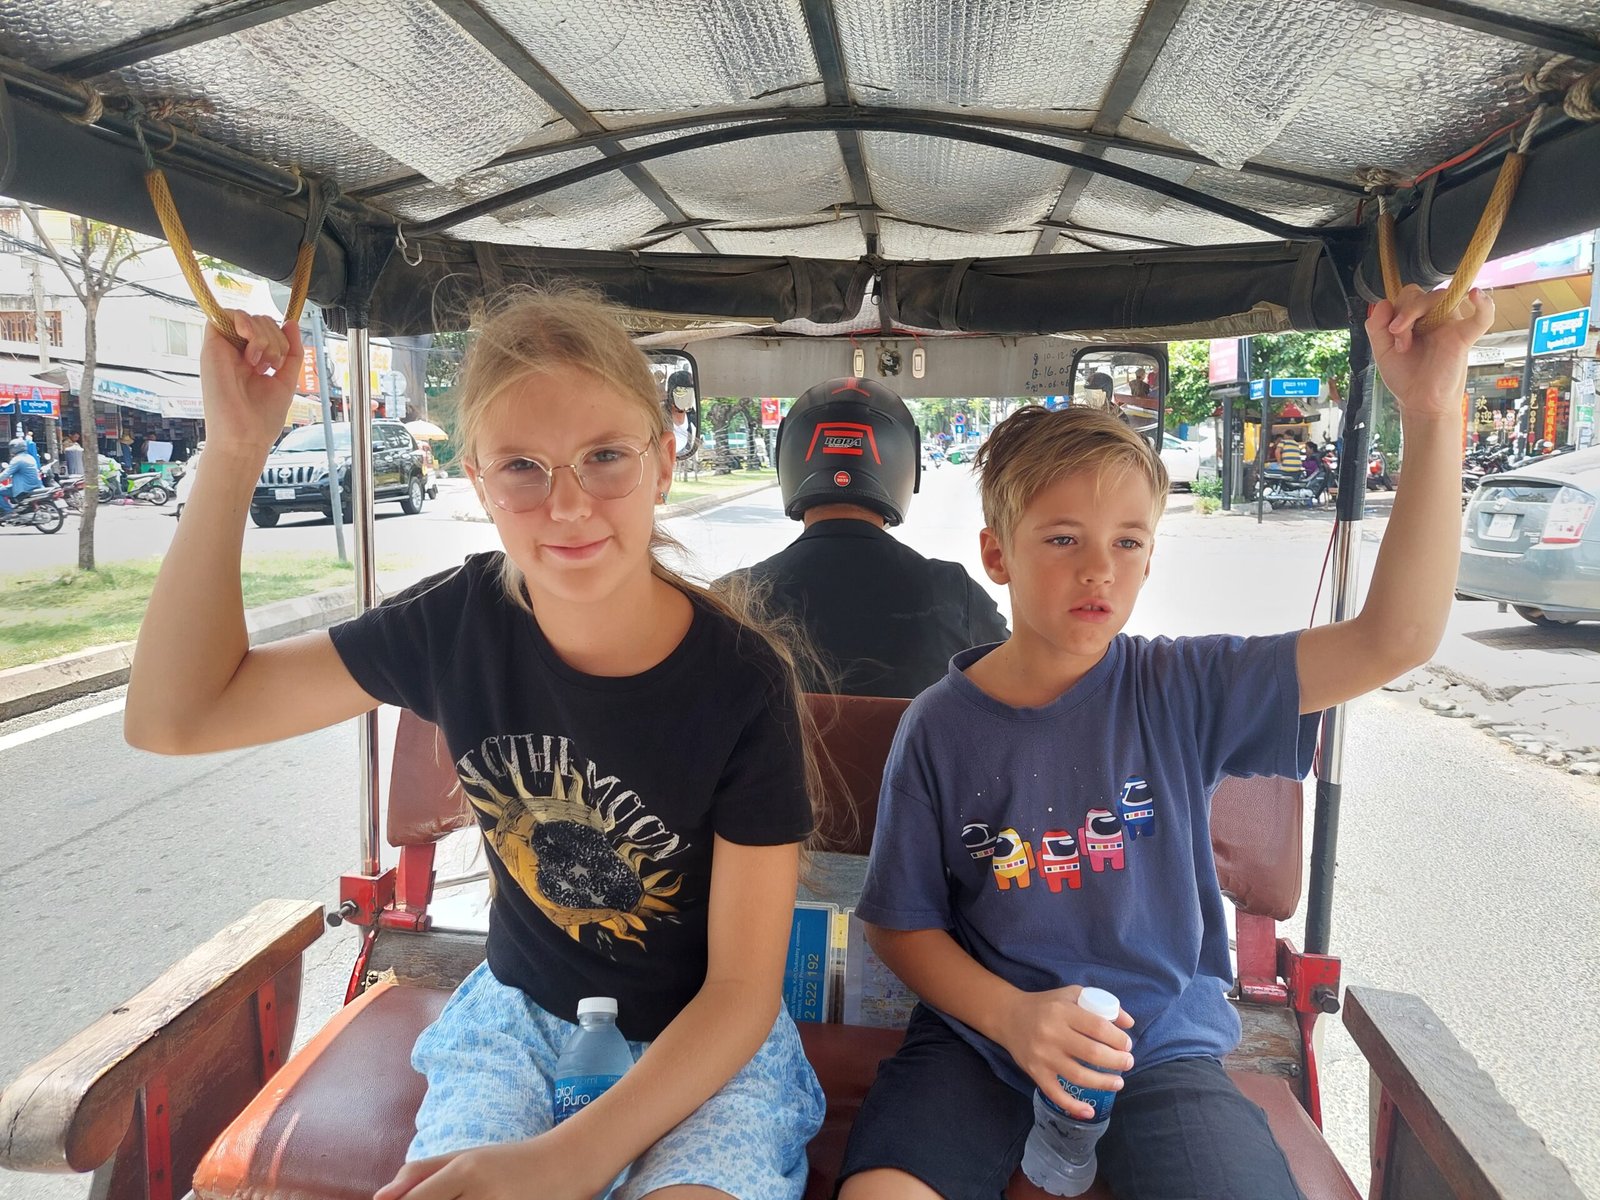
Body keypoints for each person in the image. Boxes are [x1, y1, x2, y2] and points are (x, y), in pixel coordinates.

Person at [125, 289, 827, 1200]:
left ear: (662, 461)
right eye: (523, 468)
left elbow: (738, 993)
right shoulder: (458, 624)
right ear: (477, 479)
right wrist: (234, 452)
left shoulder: (741, 682)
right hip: (519, 1025)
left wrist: (568, 1160)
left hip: (702, 1045)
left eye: (605, 457)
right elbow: (178, 716)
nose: (567, 506)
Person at [835, 285, 1494, 1200]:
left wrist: (1431, 410)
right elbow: (900, 923)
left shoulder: (1182, 687)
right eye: (1062, 539)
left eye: (1128, 542)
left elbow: (1396, 638)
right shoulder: (940, 727)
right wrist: (1014, 1017)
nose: (1097, 570)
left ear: (1151, 554)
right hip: (979, 1043)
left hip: (1162, 1052)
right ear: (997, 555)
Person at [728, 378, 1008, 699]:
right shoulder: (953, 591)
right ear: (907, 468)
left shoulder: (734, 597)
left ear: (787, 461)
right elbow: (1020, 686)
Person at [0, 437, 42, 514]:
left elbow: (6, 474)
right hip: (34, 485)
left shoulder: (17, 459)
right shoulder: (30, 457)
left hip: (24, 488)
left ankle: (9, 512)